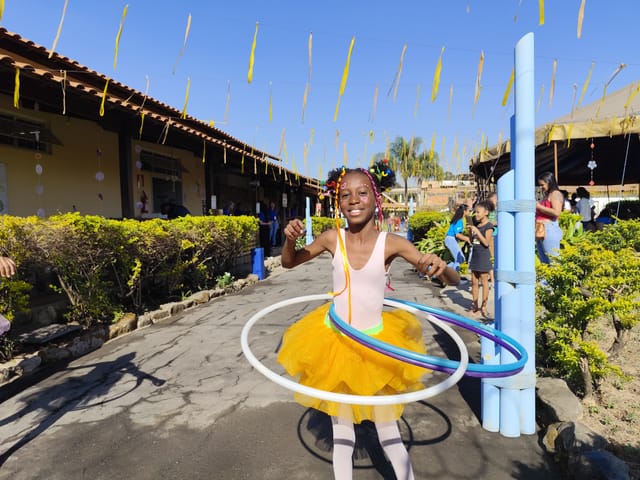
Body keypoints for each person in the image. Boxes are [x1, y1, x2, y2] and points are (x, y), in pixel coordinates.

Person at [277, 164, 459, 480]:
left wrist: (442, 267)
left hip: (377, 344)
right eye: (345, 195)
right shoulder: (332, 238)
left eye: (362, 192)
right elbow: (289, 262)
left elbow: (451, 278)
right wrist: (290, 240)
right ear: (338, 203)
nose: (353, 200)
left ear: (376, 199)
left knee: (388, 430)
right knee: (342, 435)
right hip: (336, 345)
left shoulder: (392, 243)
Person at [467, 200, 494, 318]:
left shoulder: (489, 226)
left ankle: (484, 306)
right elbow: (472, 241)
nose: (476, 214)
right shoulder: (477, 225)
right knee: (474, 281)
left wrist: (477, 231)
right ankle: (475, 305)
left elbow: (486, 243)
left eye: (478, 212)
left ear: (486, 212)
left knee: (484, 282)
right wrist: (470, 231)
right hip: (475, 255)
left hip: (484, 256)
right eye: (475, 212)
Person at [535, 171, 564, 264]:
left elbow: (556, 212)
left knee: (553, 262)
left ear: (549, 182)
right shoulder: (547, 195)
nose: (541, 187)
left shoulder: (555, 194)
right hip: (541, 229)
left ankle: (556, 279)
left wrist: (539, 207)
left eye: (542, 184)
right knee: (544, 263)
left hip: (549, 229)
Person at [444, 205, 471, 272]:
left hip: (450, 239)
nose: (470, 212)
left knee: (459, 259)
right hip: (451, 239)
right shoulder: (459, 221)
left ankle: (443, 272)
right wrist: (467, 239)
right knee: (460, 259)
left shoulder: (457, 220)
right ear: (464, 211)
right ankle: (451, 276)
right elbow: (458, 235)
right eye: (469, 211)